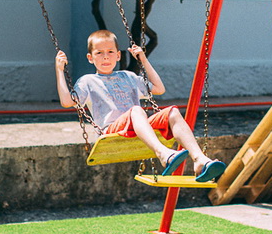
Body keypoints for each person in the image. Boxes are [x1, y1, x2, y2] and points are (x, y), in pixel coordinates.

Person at [55, 29, 226, 182]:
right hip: (112, 129)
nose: (105, 56)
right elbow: (67, 101)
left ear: (118, 55)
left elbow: (159, 88)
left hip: (139, 125)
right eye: (99, 53)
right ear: (90, 58)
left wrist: (143, 59)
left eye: (110, 52)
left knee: (172, 112)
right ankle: (163, 154)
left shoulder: (128, 77)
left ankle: (200, 160)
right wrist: (59, 70)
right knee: (136, 110)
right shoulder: (87, 81)